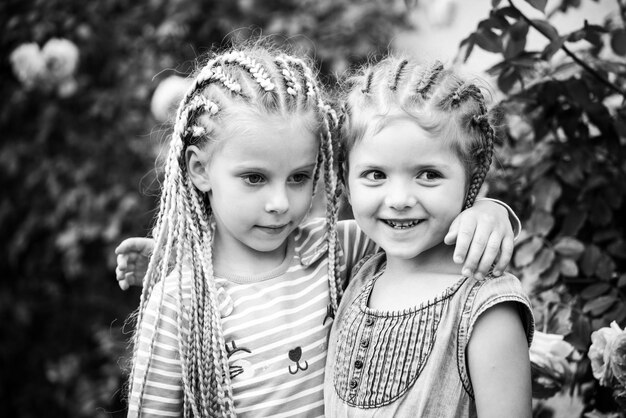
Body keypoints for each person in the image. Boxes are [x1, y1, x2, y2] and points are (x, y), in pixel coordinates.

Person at [121, 43, 519, 418]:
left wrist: (487, 210)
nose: (280, 202)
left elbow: (411, 232)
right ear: (200, 169)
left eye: (298, 177)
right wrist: (173, 255)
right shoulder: (180, 302)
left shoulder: (333, 251)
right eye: (255, 178)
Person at [324, 57, 534, 417]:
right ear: (345, 179)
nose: (400, 200)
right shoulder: (352, 265)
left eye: (429, 174)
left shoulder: (486, 309)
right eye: (375, 174)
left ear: (472, 179)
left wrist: (491, 209)